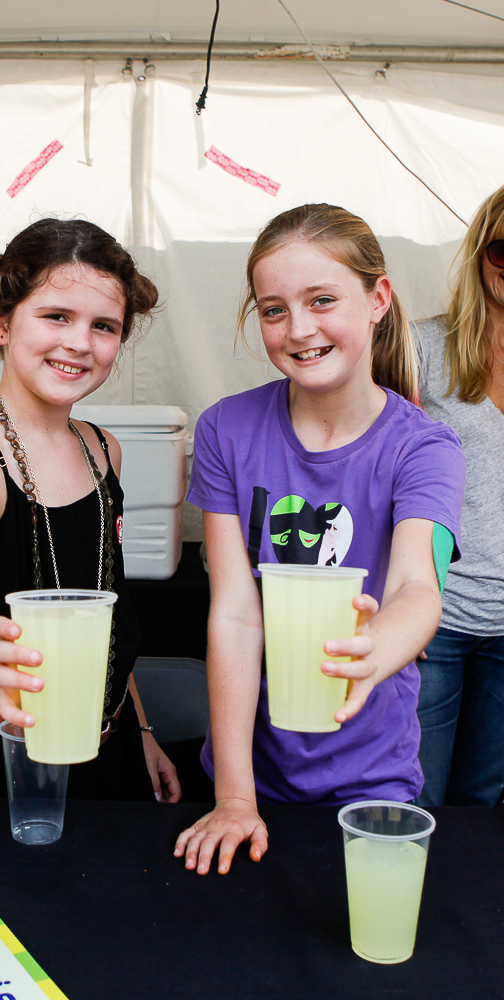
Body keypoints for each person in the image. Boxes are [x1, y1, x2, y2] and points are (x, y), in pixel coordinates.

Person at [174, 203, 465, 876]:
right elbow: (235, 613)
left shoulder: (425, 448)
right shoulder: (225, 430)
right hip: (249, 770)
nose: (299, 329)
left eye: (322, 300)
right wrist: (235, 797)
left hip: (372, 777)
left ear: (377, 299)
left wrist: (375, 650)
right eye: (274, 310)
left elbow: (417, 588)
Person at [0, 218, 181, 802]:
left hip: (112, 747)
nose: (79, 342)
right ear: (1, 322)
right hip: (10, 757)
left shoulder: (104, 449)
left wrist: (142, 729)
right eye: (56, 316)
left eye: (103, 326)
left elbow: (106, 604)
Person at [414, 185, 504, 807]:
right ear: (480, 253)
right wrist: (404, 600)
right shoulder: (421, 347)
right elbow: (374, 474)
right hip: (435, 620)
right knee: (412, 795)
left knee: (484, 803)